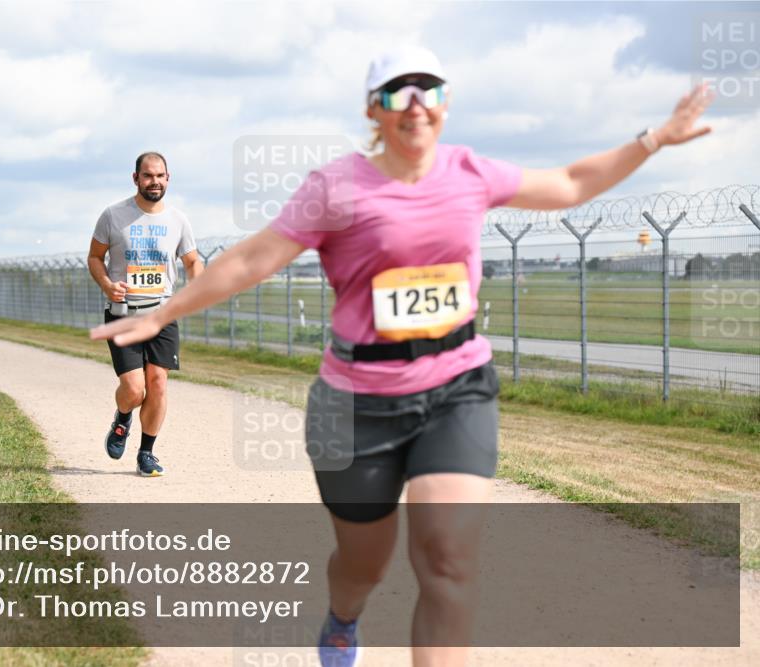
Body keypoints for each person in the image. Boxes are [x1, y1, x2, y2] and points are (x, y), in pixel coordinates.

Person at [90, 47, 714, 667]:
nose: (415, 104)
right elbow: (255, 258)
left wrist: (655, 138)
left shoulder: (469, 172)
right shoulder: (336, 187)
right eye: (397, 91)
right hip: (357, 400)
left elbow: (572, 183)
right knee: (363, 565)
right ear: (373, 109)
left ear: (445, 103)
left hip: (456, 387)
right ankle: (342, 621)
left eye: (429, 89)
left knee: (447, 559)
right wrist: (164, 311)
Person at [87, 151, 204, 477]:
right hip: (124, 314)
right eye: (148, 176)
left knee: (158, 384)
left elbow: (192, 260)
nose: (155, 182)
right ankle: (123, 417)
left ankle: (146, 454)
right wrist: (108, 285)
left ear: (168, 178)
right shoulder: (113, 216)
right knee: (135, 389)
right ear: (136, 178)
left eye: (160, 176)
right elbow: (95, 257)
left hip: (162, 314)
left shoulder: (178, 220)